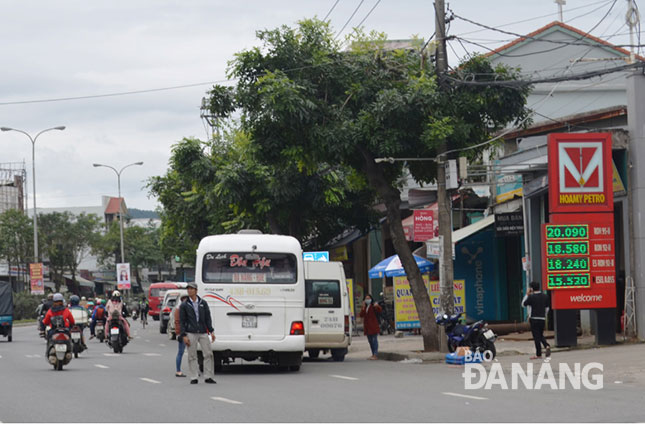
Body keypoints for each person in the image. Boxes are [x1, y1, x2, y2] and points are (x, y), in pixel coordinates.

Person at [179, 282, 216, 384]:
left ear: (196, 290)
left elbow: (208, 318)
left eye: (192, 289)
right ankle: (194, 376)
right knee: (192, 355)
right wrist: (184, 335)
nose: (189, 290)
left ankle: (208, 376)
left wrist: (211, 331)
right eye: (188, 289)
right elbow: (182, 321)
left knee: (208, 353)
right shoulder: (184, 305)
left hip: (203, 331)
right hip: (190, 332)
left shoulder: (203, 303)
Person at [522, 281, 551, 360]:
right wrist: (544, 315)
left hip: (534, 319)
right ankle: (546, 345)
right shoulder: (545, 296)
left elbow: (523, 304)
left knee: (536, 337)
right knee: (540, 335)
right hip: (542, 319)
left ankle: (538, 354)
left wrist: (527, 294)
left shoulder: (531, 297)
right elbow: (547, 309)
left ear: (531, 288)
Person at [359, 293, 382, 360]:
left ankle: (375, 354)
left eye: (369, 298)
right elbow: (361, 315)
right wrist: (363, 307)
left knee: (374, 340)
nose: (367, 300)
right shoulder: (365, 307)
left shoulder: (373, 306)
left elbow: (379, 310)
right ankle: (373, 354)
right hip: (367, 327)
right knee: (370, 341)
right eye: (366, 298)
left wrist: (377, 306)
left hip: (373, 326)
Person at [173, 294, 189, 377]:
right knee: (181, 352)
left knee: (193, 353)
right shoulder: (178, 310)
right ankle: (178, 371)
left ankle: (193, 370)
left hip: (190, 332)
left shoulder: (189, 308)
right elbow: (177, 322)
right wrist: (179, 333)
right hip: (183, 333)